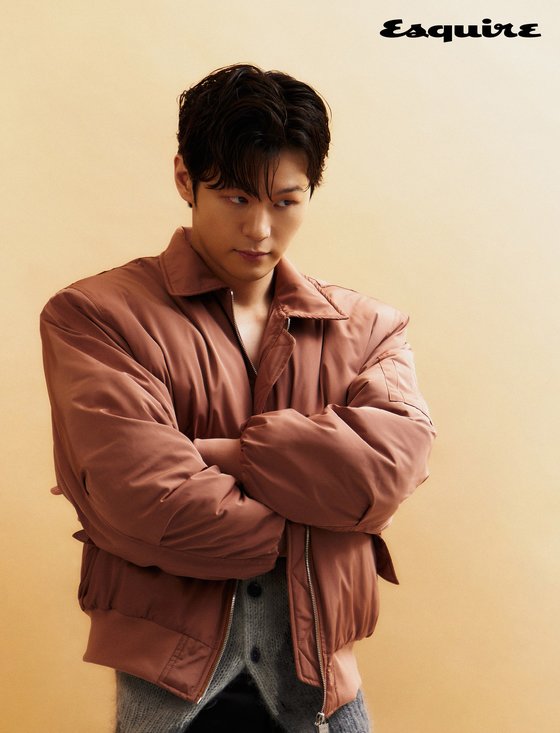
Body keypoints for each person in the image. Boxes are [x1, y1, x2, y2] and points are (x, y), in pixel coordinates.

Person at [40, 63, 435, 732]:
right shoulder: (96, 316)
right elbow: (147, 499)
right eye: (235, 197)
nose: (259, 229)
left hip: (322, 689)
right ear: (184, 179)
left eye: (285, 201)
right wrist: (326, 520)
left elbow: (392, 470)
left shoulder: (370, 328)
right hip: (168, 691)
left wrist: (218, 454)